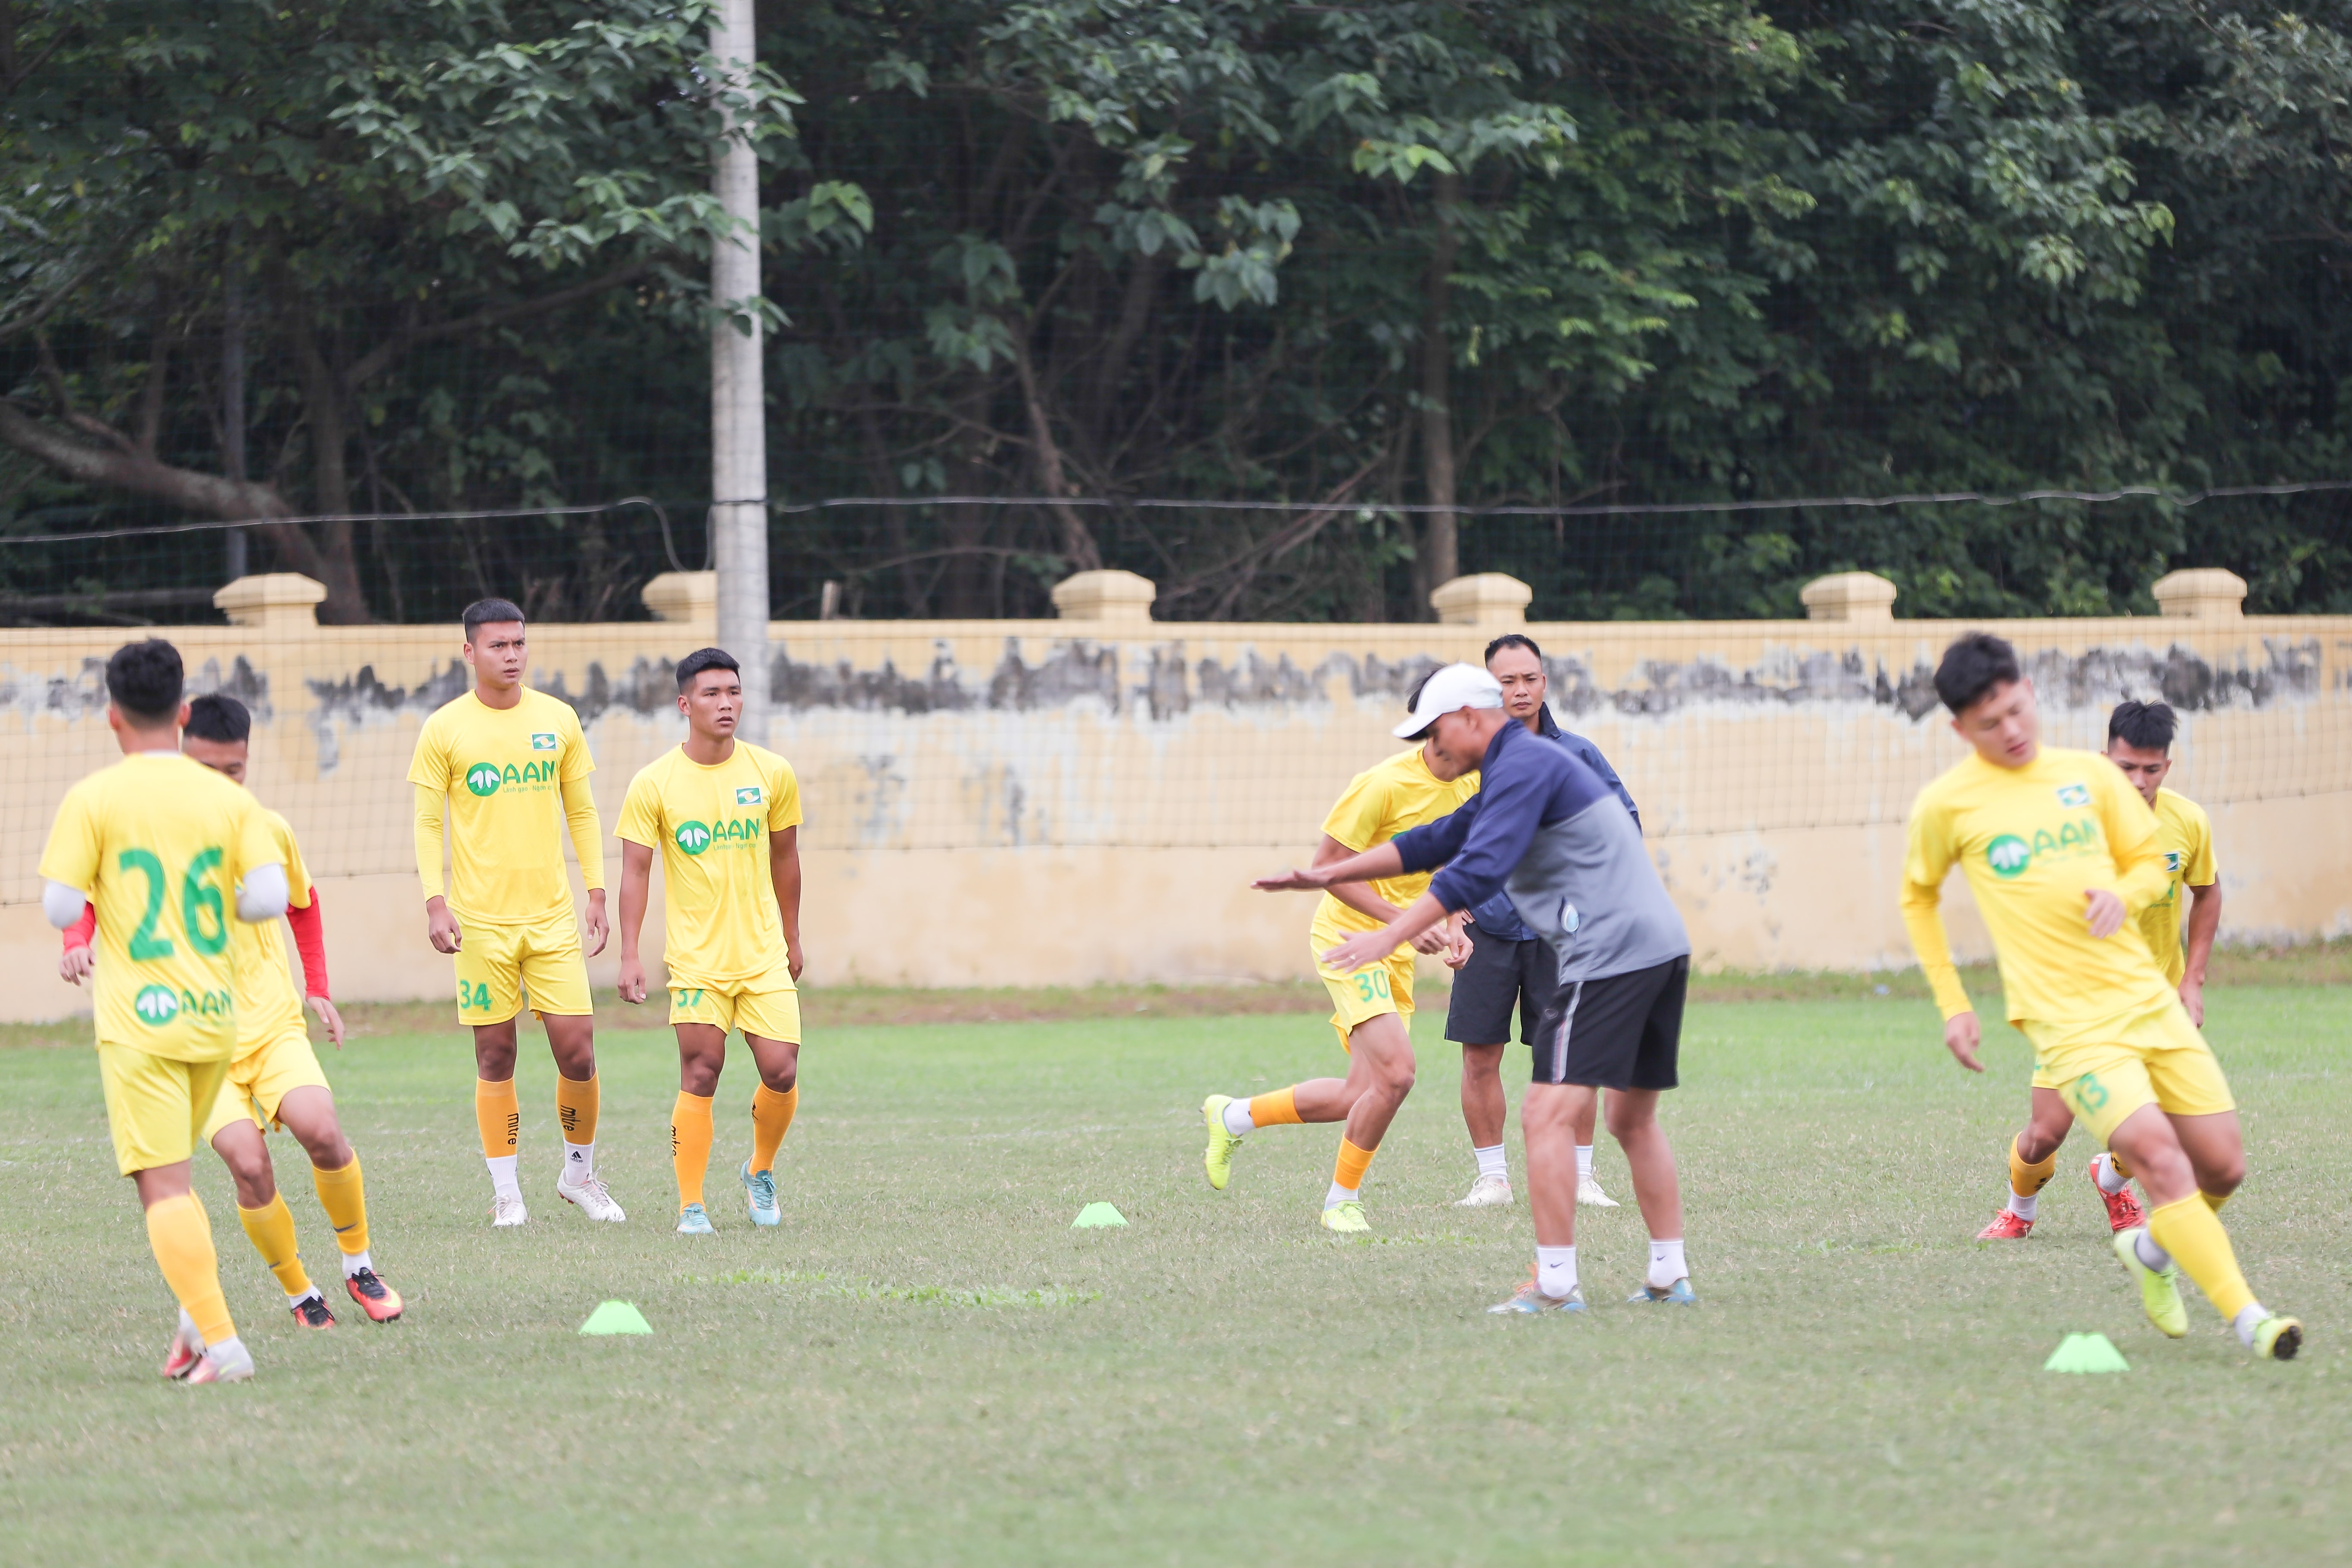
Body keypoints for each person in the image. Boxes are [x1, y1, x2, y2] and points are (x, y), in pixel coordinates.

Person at [1901, 633, 2298, 1359]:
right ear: (1960, 729)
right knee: (2156, 1161)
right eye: (1990, 724)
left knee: (2222, 1168)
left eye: (2019, 710)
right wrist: (1952, 1002)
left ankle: (2150, 1251)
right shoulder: (1947, 805)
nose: (2013, 731)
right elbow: (1917, 897)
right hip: (2067, 1024)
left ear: (2029, 691)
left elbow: (2153, 861)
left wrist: (2126, 892)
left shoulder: (2089, 776)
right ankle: (2254, 1321)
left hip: (2148, 1002)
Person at [1254, 664, 1696, 1311]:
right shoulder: (1516, 767)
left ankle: (1554, 1285)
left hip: (1608, 953)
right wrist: (1327, 874)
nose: (1433, 752)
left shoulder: (1521, 767)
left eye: (1436, 735)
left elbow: (1475, 869)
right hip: (1659, 945)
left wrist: (1387, 935)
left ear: (1468, 717)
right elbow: (1435, 841)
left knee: (1545, 1112)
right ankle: (1668, 1272)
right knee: (1630, 1116)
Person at [62, 695, 400, 1327]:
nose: (222, 785)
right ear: (183, 747)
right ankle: (302, 1293)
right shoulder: (143, 823)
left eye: (235, 772)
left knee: (322, 1130)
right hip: (195, 1033)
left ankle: (359, 1263)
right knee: (249, 1163)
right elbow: (90, 885)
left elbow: (303, 901)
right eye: (210, 770)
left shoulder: (262, 825)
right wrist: (76, 939)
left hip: (271, 1025)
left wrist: (318, 985)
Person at [38, 640, 289, 1383]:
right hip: (216, 1015)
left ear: (113, 717)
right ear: (183, 714)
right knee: (178, 1182)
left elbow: (60, 902)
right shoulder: (228, 798)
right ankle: (194, 1322)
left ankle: (225, 1344)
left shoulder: (93, 798)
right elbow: (271, 897)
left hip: (140, 1021)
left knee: (164, 1189)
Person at [1199, 673, 1478, 1233]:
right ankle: (1340, 1203)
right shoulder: (1381, 784)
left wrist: (1455, 921)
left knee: (1363, 1091)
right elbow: (1330, 873)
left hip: (1395, 946)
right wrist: (1402, 922)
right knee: (1398, 1075)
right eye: (1478, 716)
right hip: (1350, 939)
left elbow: (1455, 863)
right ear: (1444, 724)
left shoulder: (1475, 787)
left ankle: (1234, 1116)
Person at [409, 597, 621, 1226]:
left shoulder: (558, 719)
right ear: (470, 652)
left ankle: (578, 1176)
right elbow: (427, 822)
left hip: (553, 920)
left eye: (519, 644)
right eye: (498, 645)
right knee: (495, 1055)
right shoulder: (444, 728)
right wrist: (435, 901)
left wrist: (597, 891)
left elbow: (581, 811)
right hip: (479, 925)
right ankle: (507, 1192)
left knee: (578, 1052)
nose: (512, 655)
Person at [1977, 699, 2222, 1241]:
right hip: (2074, 1003)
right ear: (2103, 759)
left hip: (2151, 1005)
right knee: (2044, 1133)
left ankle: (2111, 1180)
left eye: (2150, 769)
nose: (2137, 781)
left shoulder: (2187, 822)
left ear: (2167, 766)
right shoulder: (2066, 824)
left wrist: (2193, 978)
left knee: (2159, 1124)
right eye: (2125, 767)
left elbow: (2206, 892)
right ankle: (2020, 1208)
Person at [614, 649, 808, 1236]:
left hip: (762, 953)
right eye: (711, 694)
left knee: (781, 1069)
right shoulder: (654, 783)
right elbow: (636, 872)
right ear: (685, 705)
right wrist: (629, 952)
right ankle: (691, 1206)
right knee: (702, 1070)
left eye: (733, 692)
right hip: (697, 960)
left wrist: (793, 935)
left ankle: (760, 1169)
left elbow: (786, 858)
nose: (726, 704)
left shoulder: (771, 772)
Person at [1447, 633, 1640, 1210]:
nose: (1520, 689)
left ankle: (1580, 1176)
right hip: (1487, 929)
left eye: (1529, 678)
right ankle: (1492, 1179)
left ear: (1544, 683)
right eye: (1507, 681)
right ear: (1488, 690)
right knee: (1481, 1056)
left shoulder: (1578, 755)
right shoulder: (1461, 761)